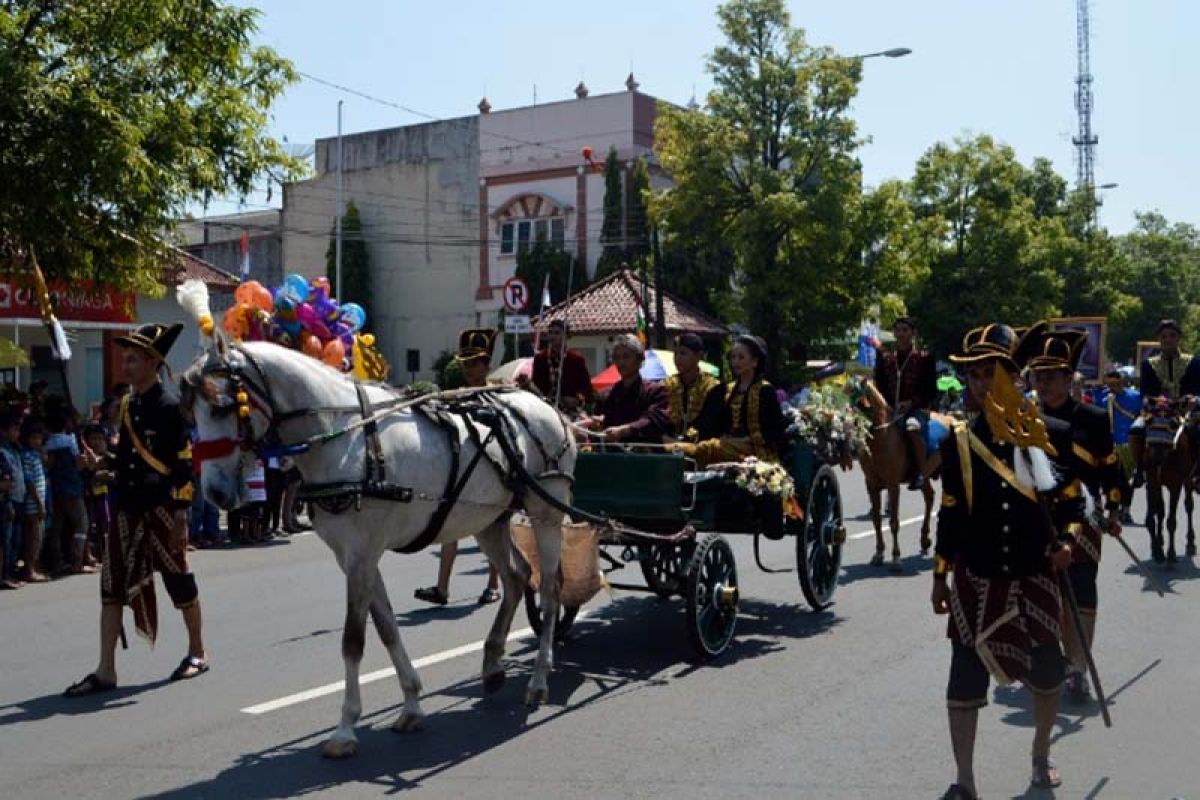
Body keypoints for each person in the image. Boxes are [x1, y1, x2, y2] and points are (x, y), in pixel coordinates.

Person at [931, 323, 1085, 799]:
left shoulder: (1051, 433)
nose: (979, 383)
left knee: (1047, 672)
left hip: (1033, 572)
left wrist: (1067, 542)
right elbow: (951, 512)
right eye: (973, 376)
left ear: (1013, 377)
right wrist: (940, 575)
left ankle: (1040, 751)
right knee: (963, 676)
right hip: (976, 575)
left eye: (988, 373)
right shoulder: (957, 443)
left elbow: (1072, 505)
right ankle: (965, 781)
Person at [64, 322, 209, 697]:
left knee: (178, 579)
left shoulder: (171, 407)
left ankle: (198, 651)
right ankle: (105, 669)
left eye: (132, 359)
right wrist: (101, 464)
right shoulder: (128, 406)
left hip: (161, 509)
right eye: (125, 358)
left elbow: (183, 464)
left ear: (152, 362)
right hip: (127, 510)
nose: (125, 365)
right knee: (110, 587)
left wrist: (181, 513)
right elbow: (125, 462)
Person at [1017, 321, 1130, 705]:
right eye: (1038, 377)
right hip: (1036, 522)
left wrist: (1112, 509)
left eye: (1051, 377)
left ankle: (1079, 668)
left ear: (1069, 379)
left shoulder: (1094, 420)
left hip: (1081, 520)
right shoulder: (1024, 419)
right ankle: (1060, 662)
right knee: (1051, 599)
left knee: (1080, 594)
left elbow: (1110, 468)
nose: (1044, 385)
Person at [415, 329, 502, 606]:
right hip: (462, 472)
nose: (469, 369)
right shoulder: (458, 395)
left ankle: (493, 585)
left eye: (474, 363)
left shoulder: (498, 393)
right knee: (449, 530)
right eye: (465, 364)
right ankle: (442, 589)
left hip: (494, 473)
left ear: (487, 364)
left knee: (495, 532)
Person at [679, 335, 788, 467]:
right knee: (705, 448)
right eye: (733, 357)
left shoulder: (765, 390)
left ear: (754, 361)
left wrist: (746, 440)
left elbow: (775, 430)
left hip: (754, 450)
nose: (736, 362)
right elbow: (708, 422)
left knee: (711, 448)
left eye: (741, 357)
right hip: (727, 445)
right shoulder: (725, 390)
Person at [1128, 319, 1200, 487]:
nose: (1168, 339)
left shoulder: (1194, 362)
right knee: (1135, 430)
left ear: (1179, 338)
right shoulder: (1148, 364)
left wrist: (1194, 399)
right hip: (1156, 411)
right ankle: (1139, 469)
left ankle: (1197, 473)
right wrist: (1151, 401)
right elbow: (1144, 392)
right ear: (1159, 339)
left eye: (1172, 336)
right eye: (1164, 336)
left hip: (1186, 411)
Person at [874, 315, 938, 490]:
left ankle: (920, 472)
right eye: (898, 330)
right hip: (892, 409)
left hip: (917, 410)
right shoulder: (887, 360)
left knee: (912, 426)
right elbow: (880, 386)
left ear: (913, 333)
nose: (901, 334)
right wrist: (886, 405)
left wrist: (911, 403)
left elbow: (931, 390)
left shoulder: (925, 358)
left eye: (905, 330)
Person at [578, 334, 670, 447]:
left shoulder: (656, 392)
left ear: (640, 358)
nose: (621, 363)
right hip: (613, 456)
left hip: (646, 457)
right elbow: (600, 427)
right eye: (616, 357)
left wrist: (624, 430)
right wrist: (596, 423)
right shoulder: (607, 394)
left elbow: (653, 421)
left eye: (626, 357)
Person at [43, 406, 91, 575]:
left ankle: (57, 562)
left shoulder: (47, 442)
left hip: (55, 488)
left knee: (57, 527)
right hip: (71, 487)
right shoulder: (70, 440)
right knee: (81, 523)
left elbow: (48, 464)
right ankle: (77, 561)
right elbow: (78, 463)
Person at [661, 333, 723, 443]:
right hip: (669, 442)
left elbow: (709, 423)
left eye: (683, 353)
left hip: (701, 444)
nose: (677, 358)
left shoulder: (712, 386)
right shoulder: (666, 385)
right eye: (675, 354)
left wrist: (685, 441)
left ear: (698, 356)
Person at [1099, 366, 1140, 523]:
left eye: (1117, 384)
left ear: (1123, 383)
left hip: (1131, 443)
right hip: (1111, 445)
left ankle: (1127, 509)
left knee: (1129, 480)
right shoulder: (1104, 400)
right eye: (1111, 384)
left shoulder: (1135, 397)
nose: (1114, 387)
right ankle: (1115, 509)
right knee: (1116, 480)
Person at [524, 319, 593, 413]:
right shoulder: (540, 358)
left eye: (557, 333)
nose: (552, 336)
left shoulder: (576, 360)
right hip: (545, 409)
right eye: (550, 332)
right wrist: (529, 385)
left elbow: (587, 389)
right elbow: (536, 384)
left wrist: (577, 399)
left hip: (570, 411)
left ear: (566, 336)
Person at [18, 417, 49, 583]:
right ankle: (29, 569)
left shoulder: (36, 455)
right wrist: (39, 503)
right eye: (34, 438)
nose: (37, 441)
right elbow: (30, 482)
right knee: (34, 537)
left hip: (39, 502)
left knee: (38, 536)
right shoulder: (27, 456)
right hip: (33, 504)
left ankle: (33, 566)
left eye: (39, 438)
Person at [0, 409, 26, 589]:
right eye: (14, 429)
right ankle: (4, 575)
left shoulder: (15, 448)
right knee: (5, 541)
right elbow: (5, 482)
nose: (17, 433)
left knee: (14, 539)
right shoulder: (2, 452)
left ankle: (10, 572)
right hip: (6, 501)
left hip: (17, 499)